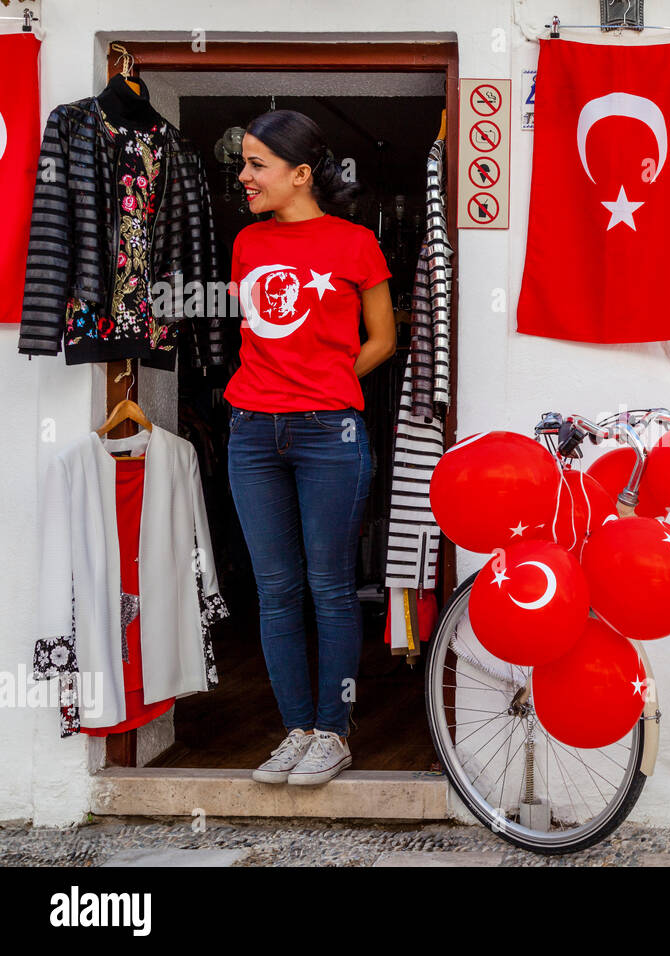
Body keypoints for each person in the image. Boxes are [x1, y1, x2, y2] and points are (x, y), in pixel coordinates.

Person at [224, 109, 396, 786]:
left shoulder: (355, 244)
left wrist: (323, 382)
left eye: (257, 164)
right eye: (243, 162)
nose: (244, 176)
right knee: (275, 589)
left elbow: (380, 339)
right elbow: (264, 331)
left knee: (329, 588)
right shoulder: (246, 243)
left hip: (330, 430)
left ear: (300, 175)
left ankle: (333, 731)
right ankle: (295, 730)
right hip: (250, 432)